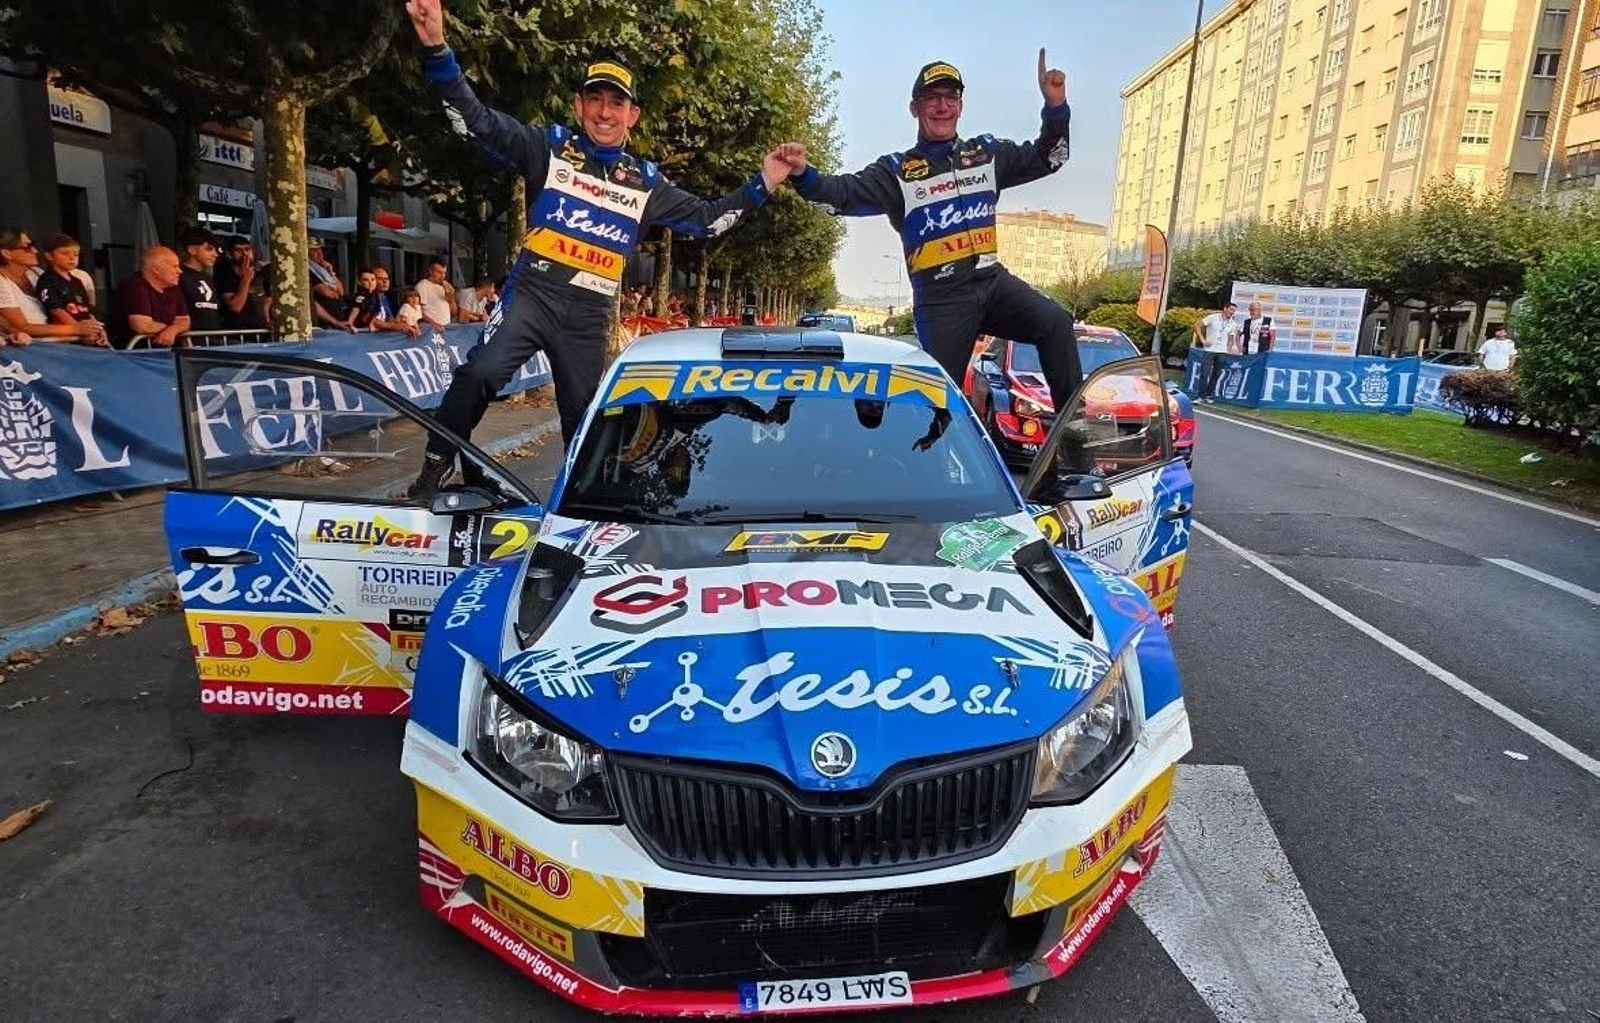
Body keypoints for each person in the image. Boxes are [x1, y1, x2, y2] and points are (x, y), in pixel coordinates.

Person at [403, 0, 789, 499]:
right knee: (480, 371)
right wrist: (437, 48)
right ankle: (432, 473)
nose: (604, 112)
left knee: (585, 414)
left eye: (616, 103)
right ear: (580, 106)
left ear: (633, 114)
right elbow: (476, 121)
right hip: (534, 294)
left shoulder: (646, 182)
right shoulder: (549, 147)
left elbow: (707, 220)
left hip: (590, 312)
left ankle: (580, 507)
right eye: (595, 100)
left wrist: (764, 182)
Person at [773, 51, 1081, 411]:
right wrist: (802, 173)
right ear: (914, 108)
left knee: (1057, 323)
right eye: (931, 98)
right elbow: (842, 195)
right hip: (942, 300)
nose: (942, 107)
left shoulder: (987, 153)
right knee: (936, 408)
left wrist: (1055, 106)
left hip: (993, 282)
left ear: (961, 105)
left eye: (951, 97)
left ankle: (1071, 437)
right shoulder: (896, 170)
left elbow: (1051, 157)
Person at [1, 228, 109, 345]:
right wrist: (77, 329)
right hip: (34, 349)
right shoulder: (2, 282)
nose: (35, 250)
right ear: (7, 253)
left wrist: (95, 328)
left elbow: (79, 307)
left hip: (65, 342)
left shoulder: (35, 273)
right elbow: (23, 327)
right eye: (27, 247)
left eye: (34, 245)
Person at [33, 233, 110, 346]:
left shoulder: (77, 281)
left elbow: (87, 309)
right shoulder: (46, 280)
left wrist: (98, 329)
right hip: (67, 338)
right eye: (65, 253)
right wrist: (80, 330)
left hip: (88, 333)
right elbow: (56, 310)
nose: (72, 258)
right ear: (49, 255)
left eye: (76, 254)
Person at [115, 246, 190, 348]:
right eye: (174, 266)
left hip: (166, 353)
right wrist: (170, 329)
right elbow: (141, 325)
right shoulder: (134, 285)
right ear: (156, 269)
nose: (180, 271)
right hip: (138, 355)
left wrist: (172, 330)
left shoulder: (173, 288)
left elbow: (185, 321)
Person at [215, 236, 271, 332]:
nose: (245, 254)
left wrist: (267, 321)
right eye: (238, 250)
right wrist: (246, 279)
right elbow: (235, 306)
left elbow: (267, 300)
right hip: (236, 334)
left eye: (247, 249)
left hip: (261, 333)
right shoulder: (224, 274)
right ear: (229, 253)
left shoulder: (259, 274)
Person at [178, 227, 224, 334]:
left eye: (215, 250)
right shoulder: (179, 275)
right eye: (209, 249)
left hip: (213, 340)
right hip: (190, 340)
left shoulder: (208, 278)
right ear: (192, 250)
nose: (215, 254)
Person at [1191, 301, 1238, 402]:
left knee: (1216, 374)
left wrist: (1228, 351)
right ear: (1225, 309)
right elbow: (1196, 325)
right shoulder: (1212, 317)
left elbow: (1230, 339)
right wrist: (1203, 340)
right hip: (1209, 350)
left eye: (1234, 311)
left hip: (1222, 352)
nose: (1232, 312)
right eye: (1231, 310)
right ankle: (1200, 396)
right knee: (1204, 373)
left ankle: (1208, 395)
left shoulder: (1233, 324)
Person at [308, 240, 348, 329]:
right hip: (324, 323)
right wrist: (333, 290)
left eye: (320, 250)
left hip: (338, 319)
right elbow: (328, 293)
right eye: (314, 251)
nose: (319, 254)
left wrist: (331, 272)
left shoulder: (324, 270)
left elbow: (341, 292)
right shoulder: (309, 271)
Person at [369, 266, 419, 336]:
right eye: (380, 278)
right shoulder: (368, 297)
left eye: (387, 279)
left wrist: (407, 325)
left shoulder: (383, 297)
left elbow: (390, 319)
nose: (385, 281)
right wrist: (398, 327)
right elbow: (374, 322)